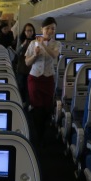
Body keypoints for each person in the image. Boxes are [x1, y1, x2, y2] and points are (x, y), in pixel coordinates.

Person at [25, 17, 61, 147]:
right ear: (42, 29)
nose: (50, 31)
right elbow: (27, 62)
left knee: (47, 107)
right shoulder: (32, 44)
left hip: (48, 79)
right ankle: (38, 134)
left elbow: (54, 55)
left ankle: (42, 130)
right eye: (48, 28)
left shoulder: (57, 44)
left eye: (53, 29)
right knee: (37, 107)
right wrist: (35, 54)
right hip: (34, 78)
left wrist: (43, 45)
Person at [14, 23, 36, 106]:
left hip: (32, 69)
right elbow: (17, 52)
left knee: (30, 88)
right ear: (24, 32)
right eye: (27, 31)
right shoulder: (21, 40)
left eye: (31, 31)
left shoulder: (35, 41)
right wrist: (23, 44)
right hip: (22, 68)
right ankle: (23, 103)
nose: (29, 33)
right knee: (22, 86)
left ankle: (30, 103)